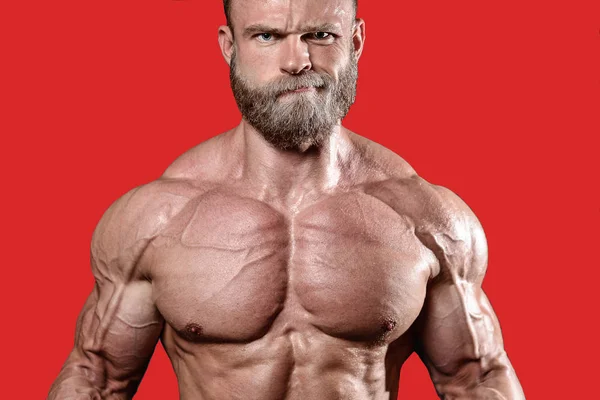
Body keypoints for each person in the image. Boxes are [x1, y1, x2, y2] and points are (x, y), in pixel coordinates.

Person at [49, 0, 525, 398]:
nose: (297, 61)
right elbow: (97, 377)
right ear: (229, 46)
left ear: (355, 42)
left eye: (320, 35)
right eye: (267, 36)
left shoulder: (424, 217)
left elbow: (475, 376)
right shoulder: (156, 219)